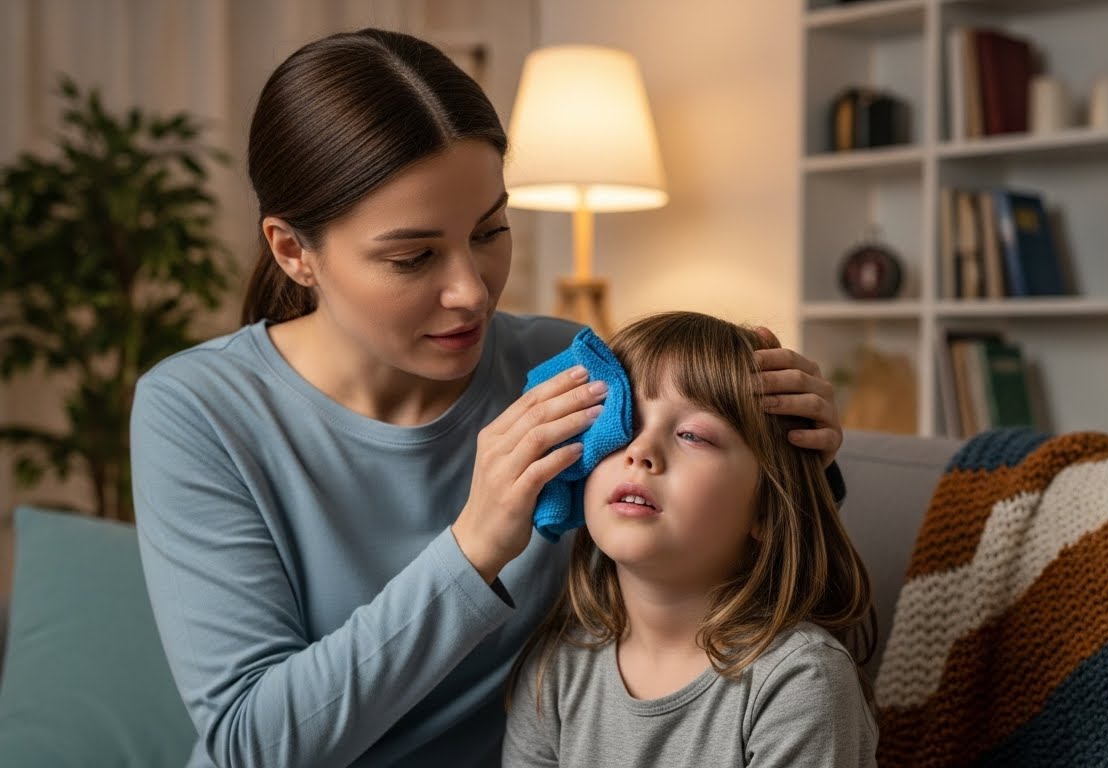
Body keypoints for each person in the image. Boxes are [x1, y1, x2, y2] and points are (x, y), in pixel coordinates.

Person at [129, 28, 844, 768]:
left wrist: (802, 458)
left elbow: (711, 574)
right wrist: (473, 549)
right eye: (412, 257)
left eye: (490, 232)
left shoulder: (562, 365)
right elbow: (252, 745)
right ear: (291, 250)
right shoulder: (197, 409)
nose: (471, 291)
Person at [503, 311, 877, 767]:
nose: (639, 451)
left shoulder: (802, 682)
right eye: (621, 424)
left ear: (766, 510)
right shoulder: (555, 671)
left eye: (692, 435)